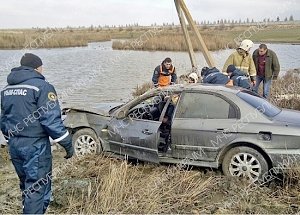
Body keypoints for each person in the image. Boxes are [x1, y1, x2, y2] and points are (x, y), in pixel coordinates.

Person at [0, 53, 74, 214]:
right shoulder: (42, 87)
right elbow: (51, 121)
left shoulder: (7, 89)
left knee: (26, 184)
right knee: (37, 189)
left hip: (14, 145)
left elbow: (4, 119)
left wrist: (9, 139)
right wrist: (68, 145)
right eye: (41, 67)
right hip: (35, 147)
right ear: (36, 68)